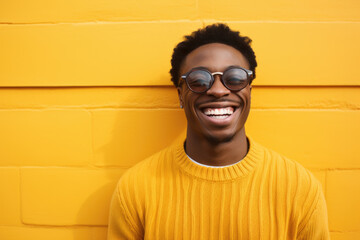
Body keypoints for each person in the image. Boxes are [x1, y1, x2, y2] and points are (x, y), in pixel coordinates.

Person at [107, 23, 330, 239]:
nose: (218, 90)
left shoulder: (299, 188)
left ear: (249, 91)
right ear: (180, 95)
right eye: (199, 80)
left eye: (234, 78)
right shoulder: (136, 189)